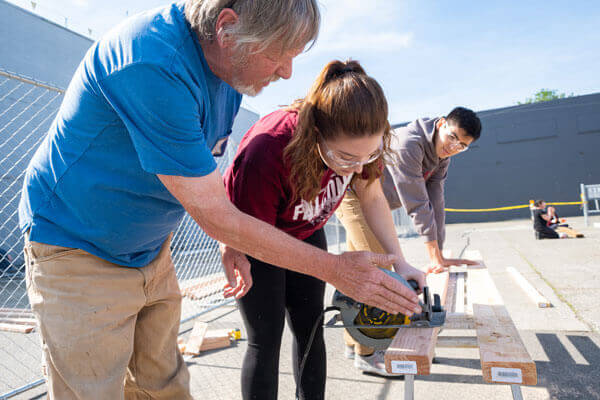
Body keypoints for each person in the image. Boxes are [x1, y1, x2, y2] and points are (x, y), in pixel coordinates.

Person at [18, 2, 420, 399]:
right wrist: (335, 269)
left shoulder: (228, 74)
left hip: (147, 248)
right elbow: (216, 214)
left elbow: (209, 180)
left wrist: (229, 241)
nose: (287, 72)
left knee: (162, 386)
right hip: (77, 244)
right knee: (92, 389)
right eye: (279, 55)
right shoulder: (152, 64)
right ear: (227, 28)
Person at [222, 60, 426, 399]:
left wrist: (401, 262)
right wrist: (336, 271)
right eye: (346, 158)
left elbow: (372, 195)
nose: (358, 168)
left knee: (311, 330)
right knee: (266, 338)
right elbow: (247, 232)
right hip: (256, 238)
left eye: (368, 156)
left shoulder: (360, 141)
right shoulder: (269, 146)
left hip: (305, 231)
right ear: (316, 132)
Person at [336, 106, 482, 375]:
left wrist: (439, 252)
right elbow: (417, 203)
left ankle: (352, 343)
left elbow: (435, 200)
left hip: (375, 201)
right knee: (378, 267)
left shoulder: (442, 156)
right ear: (440, 124)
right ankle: (368, 354)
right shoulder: (410, 143)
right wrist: (432, 254)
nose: (454, 147)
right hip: (354, 195)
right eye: (452, 137)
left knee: (361, 269)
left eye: (462, 146)